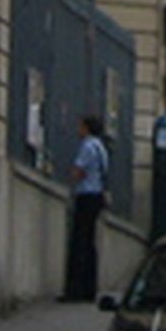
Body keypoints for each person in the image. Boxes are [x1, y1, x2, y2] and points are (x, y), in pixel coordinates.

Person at [59, 112, 111, 303]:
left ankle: (75, 289)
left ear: (87, 128)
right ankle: (89, 288)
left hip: (86, 195)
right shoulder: (101, 148)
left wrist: (71, 175)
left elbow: (78, 170)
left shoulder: (88, 146)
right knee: (89, 243)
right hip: (97, 195)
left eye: (80, 126)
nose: (78, 130)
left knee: (79, 242)